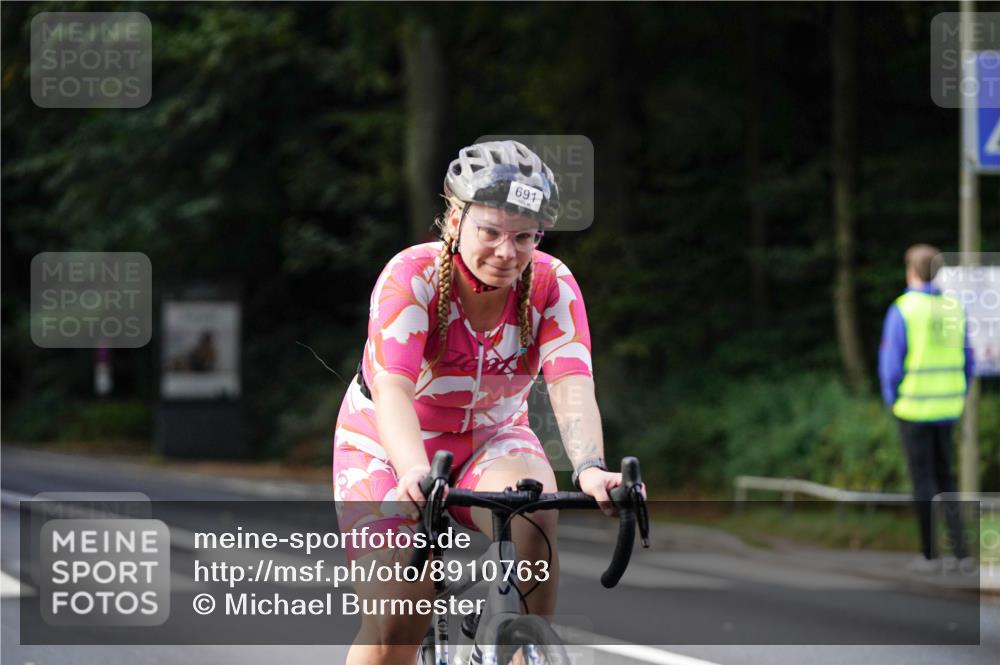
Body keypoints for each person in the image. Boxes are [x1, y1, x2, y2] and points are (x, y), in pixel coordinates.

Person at [332, 140, 625, 664]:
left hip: (492, 436)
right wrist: (414, 470)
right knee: (395, 625)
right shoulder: (411, 276)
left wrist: (590, 467)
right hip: (388, 442)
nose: (506, 252)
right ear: (454, 218)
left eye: (524, 237)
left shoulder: (553, 285)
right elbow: (393, 386)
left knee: (533, 506)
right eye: (490, 231)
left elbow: (571, 382)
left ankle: (519, 645)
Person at [878, 244, 973, 571]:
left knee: (922, 483)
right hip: (948, 408)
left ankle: (930, 556)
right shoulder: (953, 307)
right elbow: (968, 360)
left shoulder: (904, 309)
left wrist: (893, 401)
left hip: (914, 409)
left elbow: (891, 367)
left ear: (912, 271)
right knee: (947, 480)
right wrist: (959, 395)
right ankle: (962, 554)